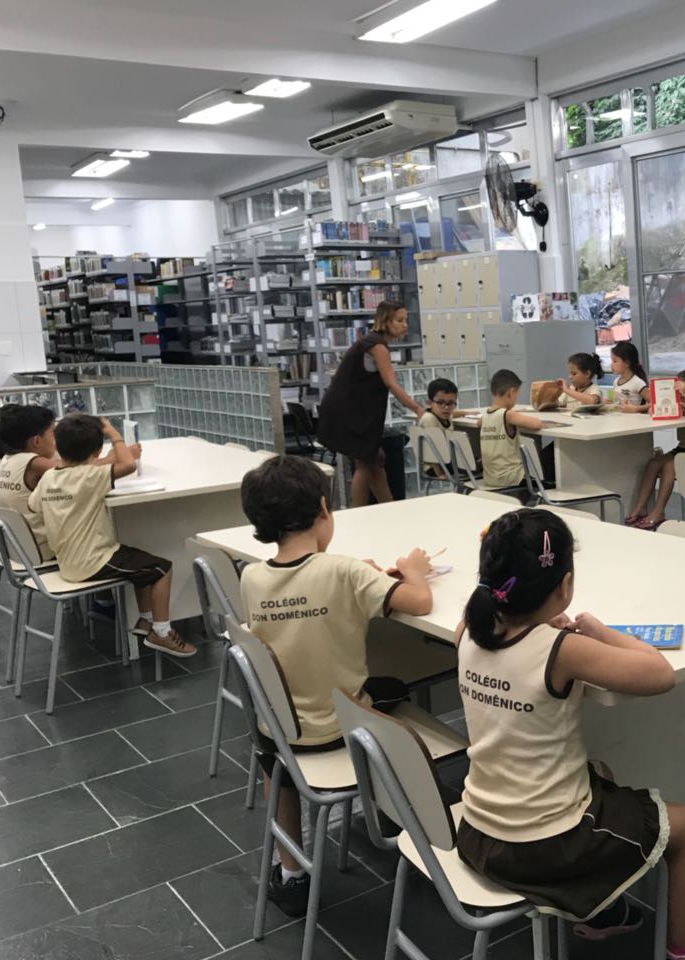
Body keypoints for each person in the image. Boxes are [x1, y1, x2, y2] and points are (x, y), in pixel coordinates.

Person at [455, 509, 685, 960]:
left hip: (476, 831)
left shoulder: (469, 631)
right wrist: (598, 631)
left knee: (597, 774)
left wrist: (542, 622)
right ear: (564, 585)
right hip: (542, 849)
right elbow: (659, 673)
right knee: (684, 827)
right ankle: (684, 954)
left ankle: (600, 911)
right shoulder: (562, 650)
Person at [238, 455, 434, 915]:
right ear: (324, 510)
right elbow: (419, 602)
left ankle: (291, 874)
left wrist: (354, 576)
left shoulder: (252, 576)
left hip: (280, 733)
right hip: (342, 729)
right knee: (396, 689)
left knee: (275, 760)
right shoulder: (344, 573)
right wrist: (414, 570)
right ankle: (393, 807)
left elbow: (305, 591)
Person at [28, 414, 194, 657]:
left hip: (66, 561)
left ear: (58, 447)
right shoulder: (91, 476)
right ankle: (162, 632)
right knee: (162, 569)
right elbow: (128, 465)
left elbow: (33, 505)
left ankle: (146, 620)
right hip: (93, 561)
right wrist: (113, 433)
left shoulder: (50, 477)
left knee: (140, 561)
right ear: (97, 452)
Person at [317, 301, 426, 507]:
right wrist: (417, 408)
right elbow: (391, 383)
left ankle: (389, 507)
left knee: (377, 459)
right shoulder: (377, 346)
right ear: (385, 321)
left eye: (406, 320)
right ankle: (358, 511)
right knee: (366, 463)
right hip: (349, 414)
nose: (405, 325)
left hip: (350, 410)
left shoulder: (370, 341)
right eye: (399, 320)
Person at [625, 369, 685, 529]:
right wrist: (661, 403)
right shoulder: (681, 408)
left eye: (683, 390)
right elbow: (653, 411)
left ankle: (658, 511)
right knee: (653, 463)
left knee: (669, 466)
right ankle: (641, 507)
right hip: (683, 450)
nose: (680, 394)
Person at [0, 403, 59, 561]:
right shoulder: (31, 462)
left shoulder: (6, 460)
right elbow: (71, 469)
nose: (55, 440)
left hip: (15, 549)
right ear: (36, 440)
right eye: (53, 434)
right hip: (41, 552)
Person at [480, 369, 545, 496]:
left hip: (490, 478)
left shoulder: (485, 416)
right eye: (517, 395)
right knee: (549, 458)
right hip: (513, 478)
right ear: (511, 392)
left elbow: (479, 423)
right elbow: (537, 424)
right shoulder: (508, 415)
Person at [417, 378, 463, 480]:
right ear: (429, 402)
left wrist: (468, 413)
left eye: (451, 403)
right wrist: (440, 474)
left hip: (447, 462)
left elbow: (453, 414)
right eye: (441, 402)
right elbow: (431, 451)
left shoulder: (444, 415)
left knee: (478, 461)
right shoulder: (429, 419)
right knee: (479, 465)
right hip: (436, 467)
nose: (446, 407)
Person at [609, 342, 650, 413]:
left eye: (615, 361)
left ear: (627, 363)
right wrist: (609, 403)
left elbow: (655, 403)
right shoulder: (616, 381)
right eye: (611, 361)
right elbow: (618, 404)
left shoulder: (637, 382)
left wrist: (636, 409)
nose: (611, 364)